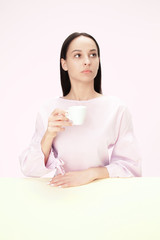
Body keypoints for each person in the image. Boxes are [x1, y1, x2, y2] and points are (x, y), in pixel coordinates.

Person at [19, 32, 142, 188]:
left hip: (103, 195)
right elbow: (30, 169)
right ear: (64, 64)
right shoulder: (49, 110)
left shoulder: (116, 109)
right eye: (78, 56)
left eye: (93, 55)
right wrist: (49, 134)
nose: (87, 61)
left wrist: (90, 174)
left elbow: (131, 167)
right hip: (60, 196)